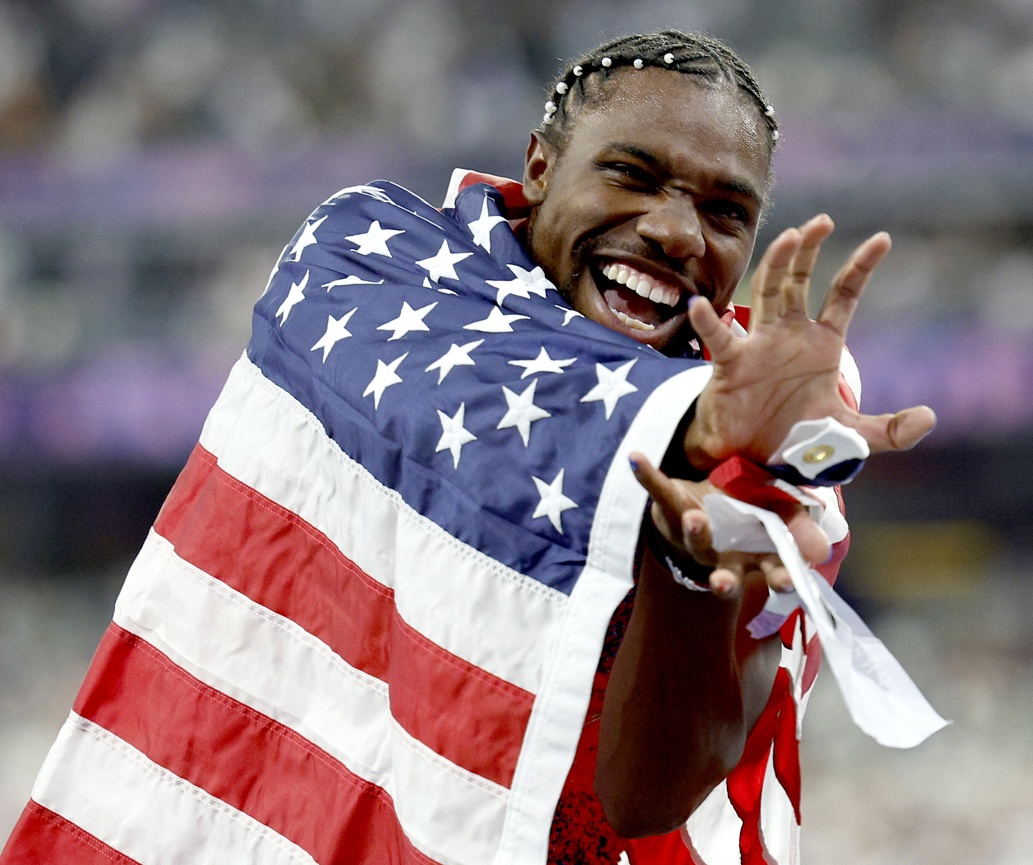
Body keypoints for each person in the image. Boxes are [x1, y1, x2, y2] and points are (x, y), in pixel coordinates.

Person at [0, 29, 933, 865]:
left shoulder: (764, 430)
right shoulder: (373, 260)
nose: (676, 229)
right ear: (538, 167)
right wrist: (678, 432)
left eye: (726, 212)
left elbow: (650, 800)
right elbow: (474, 395)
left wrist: (695, 559)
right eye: (633, 175)